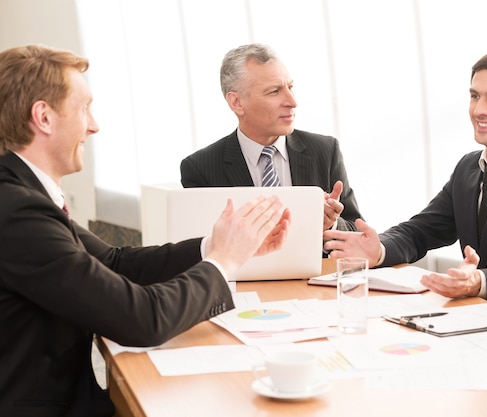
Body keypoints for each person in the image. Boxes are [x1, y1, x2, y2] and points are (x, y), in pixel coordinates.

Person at [0, 45, 290, 417]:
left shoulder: (24, 193)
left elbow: (113, 260)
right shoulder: (18, 212)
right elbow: (142, 320)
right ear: (44, 117)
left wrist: (212, 246)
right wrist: (222, 261)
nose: (94, 125)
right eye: (84, 107)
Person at [324, 51, 487, 347]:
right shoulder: (469, 167)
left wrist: (479, 282)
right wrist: (380, 249)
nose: (479, 110)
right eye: (475, 96)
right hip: (478, 326)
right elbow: (423, 229)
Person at [180, 43, 363, 233]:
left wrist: (330, 225)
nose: (292, 102)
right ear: (237, 102)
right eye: (274, 91)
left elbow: (357, 232)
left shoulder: (325, 151)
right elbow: (201, 248)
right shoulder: (200, 168)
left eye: (290, 87)